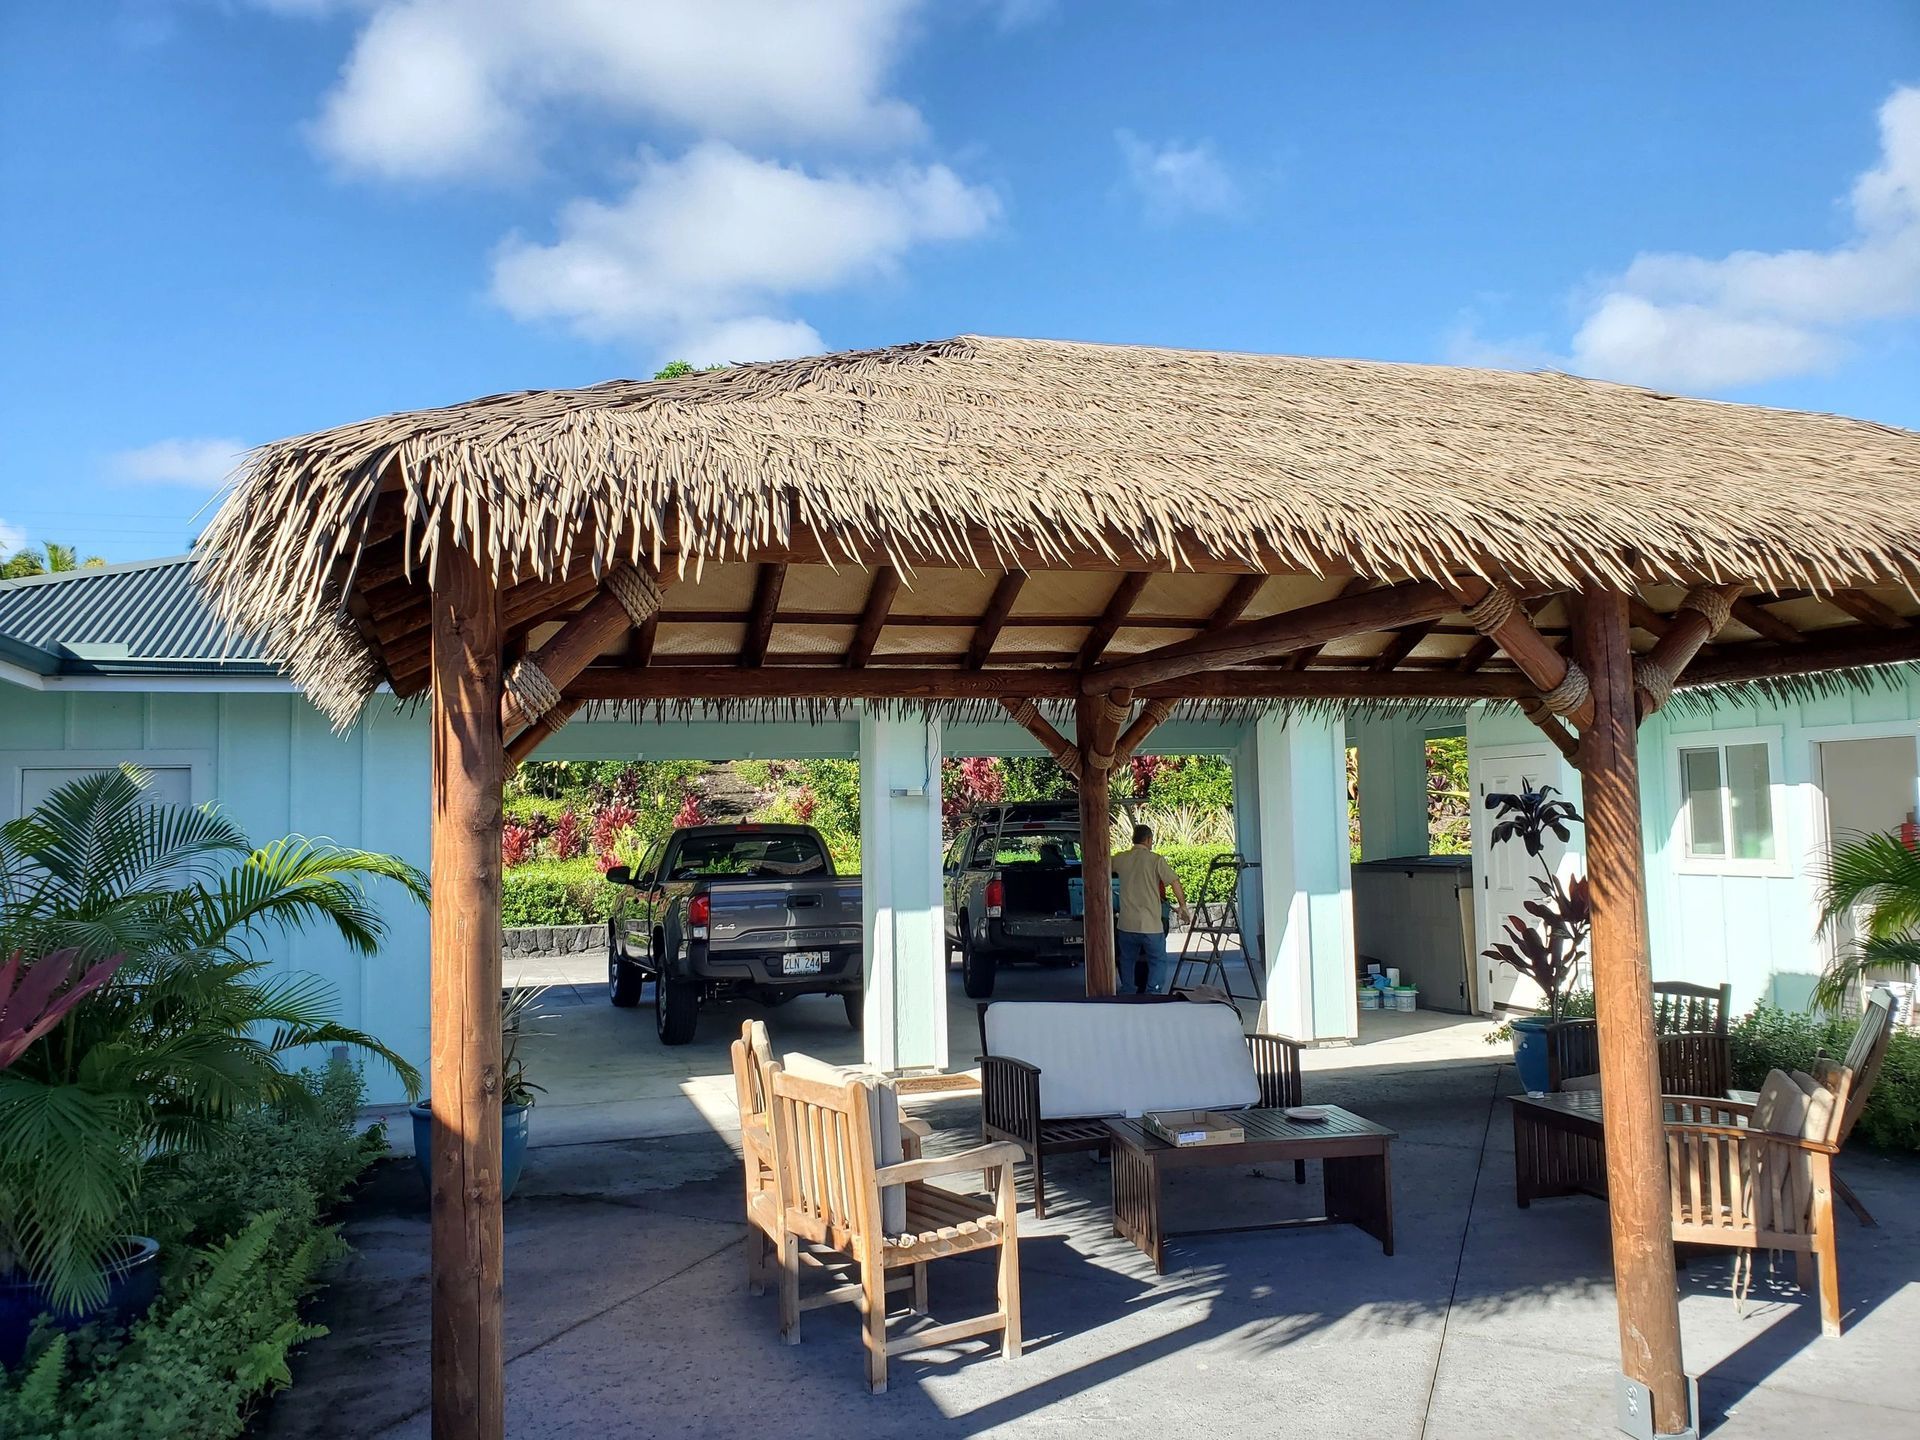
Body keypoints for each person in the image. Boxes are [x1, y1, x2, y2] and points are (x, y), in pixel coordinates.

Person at [1109, 823, 1190, 995]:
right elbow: (1174, 881)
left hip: (1126, 923)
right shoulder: (1155, 860)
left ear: (1133, 839)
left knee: (1127, 960)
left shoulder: (1120, 858)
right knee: (1157, 961)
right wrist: (1182, 906)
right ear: (1148, 839)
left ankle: (1128, 992)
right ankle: (1153, 993)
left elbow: (1101, 868)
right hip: (1150, 924)